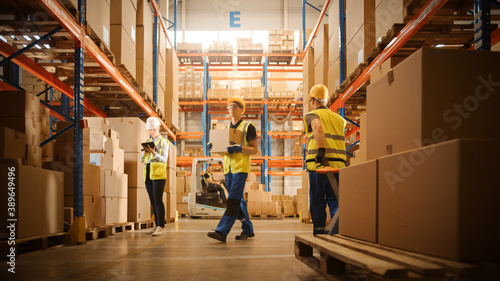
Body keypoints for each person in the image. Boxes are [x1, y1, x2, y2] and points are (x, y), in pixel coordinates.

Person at [207, 96, 257, 243]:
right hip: (228, 170)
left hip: (240, 169)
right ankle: (248, 229)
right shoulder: (225, 129)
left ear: (242, 109)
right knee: (239, 201)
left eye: (235, 106)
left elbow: (254, 149)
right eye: (230, 106)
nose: (231, 109)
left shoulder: (248, 127)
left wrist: (239, 148)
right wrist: (213, 148)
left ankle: (222, 231)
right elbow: (224, 151)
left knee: (233, 200)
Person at [303, 84, 347, 236]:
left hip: (319, 166)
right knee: (335, 200)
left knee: (317, 201)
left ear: (313, 100)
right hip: (338, 166)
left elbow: (318, 128)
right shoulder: (340, 120)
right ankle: (336, 234)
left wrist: (321, 151)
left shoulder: (312, 115)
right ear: (326, 101)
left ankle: (320, 234)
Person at [142, 117, 169, 236]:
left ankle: (161, 226)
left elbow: (164, 159)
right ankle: (156, 225)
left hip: (158, 174)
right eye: (150, 130)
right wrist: (144, 153)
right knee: (152, 201)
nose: (152, 131)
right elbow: (143, 159)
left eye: (154, 129)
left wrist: (154, 154)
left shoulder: (163, 142)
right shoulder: (147, 142)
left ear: (158, 128)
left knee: (158, 201)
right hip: (148, 173)